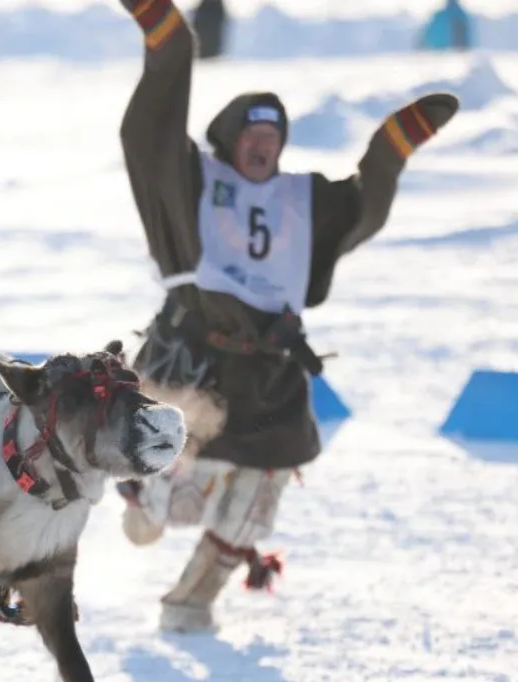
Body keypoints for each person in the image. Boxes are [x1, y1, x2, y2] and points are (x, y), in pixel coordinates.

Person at [111, 0, 459, 632]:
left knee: (259, 492)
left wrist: (390, 149)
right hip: (192, 361)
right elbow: (149, 138)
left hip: (270, 368)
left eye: (273, 137)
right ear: (231, 141)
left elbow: (361, 210)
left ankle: (191, 603)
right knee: (173, 498)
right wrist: (172, 52)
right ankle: (143, 503)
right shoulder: (193, 181)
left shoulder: (302, 199)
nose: (264, 146)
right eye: (252, 135)